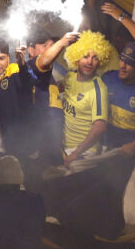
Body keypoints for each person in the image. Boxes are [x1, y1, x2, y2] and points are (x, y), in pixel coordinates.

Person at [35, 31, 112, 165]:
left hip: (83, 153)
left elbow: (100, 127)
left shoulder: (98, 90)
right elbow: (58, 89)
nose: (89, 62)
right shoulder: (70, 77)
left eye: (95, 58)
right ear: (76, 58)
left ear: (100, 61)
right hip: (63, 147)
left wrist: (76, 154)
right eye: (85, 56)